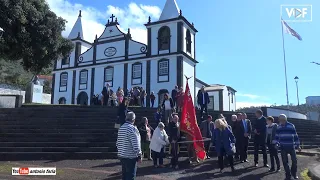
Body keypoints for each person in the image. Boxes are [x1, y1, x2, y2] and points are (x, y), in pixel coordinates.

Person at [116, 112, 142, 180]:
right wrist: (139, 155)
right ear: (133, 119)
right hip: (130, 157)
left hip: (122, 155)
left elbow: (118, 143)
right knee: (130, 176)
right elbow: (135, 144)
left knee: (124, 176)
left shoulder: (121, 128)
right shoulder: (132, 129)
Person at [275, 114, 301, 180]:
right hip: (283, 147)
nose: (281, 121)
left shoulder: (291, 126)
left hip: (291, 146)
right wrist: (276, 143)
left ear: (285, 119)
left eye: (283, 120)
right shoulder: (279, 127)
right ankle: (288, 175)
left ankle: (294, 174)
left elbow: (295, 136)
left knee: (294, 161)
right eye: (280, 120)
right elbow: (277, 137)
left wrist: (298, 145)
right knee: (285, 162)